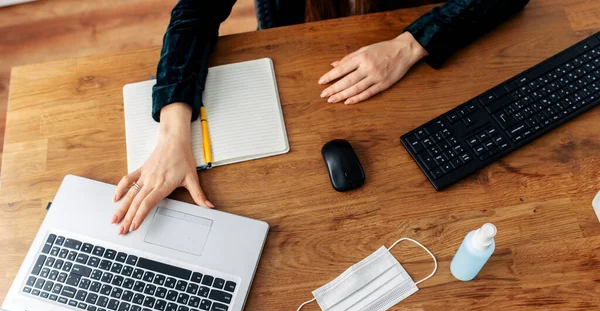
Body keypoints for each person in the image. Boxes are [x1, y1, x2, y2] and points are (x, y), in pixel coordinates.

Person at [112, 0, 530, 234]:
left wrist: (411, 44)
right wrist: (172, 132)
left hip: (402, 21)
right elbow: (194, 13)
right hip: (299, 25)